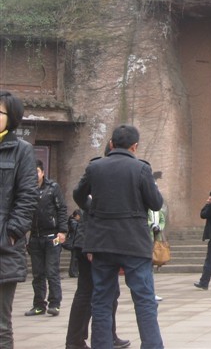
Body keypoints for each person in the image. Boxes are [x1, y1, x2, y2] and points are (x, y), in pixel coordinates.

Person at [74, 124, 164, 349]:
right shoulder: (141, 169)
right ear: (135, 146)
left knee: (101, 300)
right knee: (144, 300)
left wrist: (92, 208)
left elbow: (78, 195)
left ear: (111, 144)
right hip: (134, 242)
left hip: (102, 242)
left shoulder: (95, 167)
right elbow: (156, 203)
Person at [66, 142, 130, 349]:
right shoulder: (97, 170)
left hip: (100, 241)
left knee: (109, 292)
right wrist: (92, 245)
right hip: (91, 242)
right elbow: (85, 203)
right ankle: (76, 340)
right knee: (87, 292)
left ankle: (105, 335)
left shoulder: (103, 170)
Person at [0, 91, 39, 349]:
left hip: (3, 246)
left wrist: (12, 232)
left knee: (1, 326)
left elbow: (28, 196)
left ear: (11, 117)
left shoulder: (21, 150)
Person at [25, 158, 68, 317]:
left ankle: (55, 304)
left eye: (37, 171)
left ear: (42, 172)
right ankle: (38, 305)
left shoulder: (53, 188)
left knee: (52, 272)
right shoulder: (26, 189)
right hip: (35, 237)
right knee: (37, 274)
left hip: (52, 237)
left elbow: (62, 209)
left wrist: (62, 231)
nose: (34, 174)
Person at [148, 201, 166, 301]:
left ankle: (151, 293)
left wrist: (159, 226)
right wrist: (152, 225)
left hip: (156, 239)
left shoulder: (159, 210)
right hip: (147, 238)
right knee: (148, 268)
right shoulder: (146, 209)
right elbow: (144, 220)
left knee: (151, 268)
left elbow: (162, 220)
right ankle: (149, 293)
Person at [67, 209, 82, 278]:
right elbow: (76, 229)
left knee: (75, 258)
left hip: (75, 241)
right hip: (74, 242)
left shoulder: (74, 221)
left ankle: (74, 271)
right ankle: (73, 272)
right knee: (74, 258)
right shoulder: (73, 221)